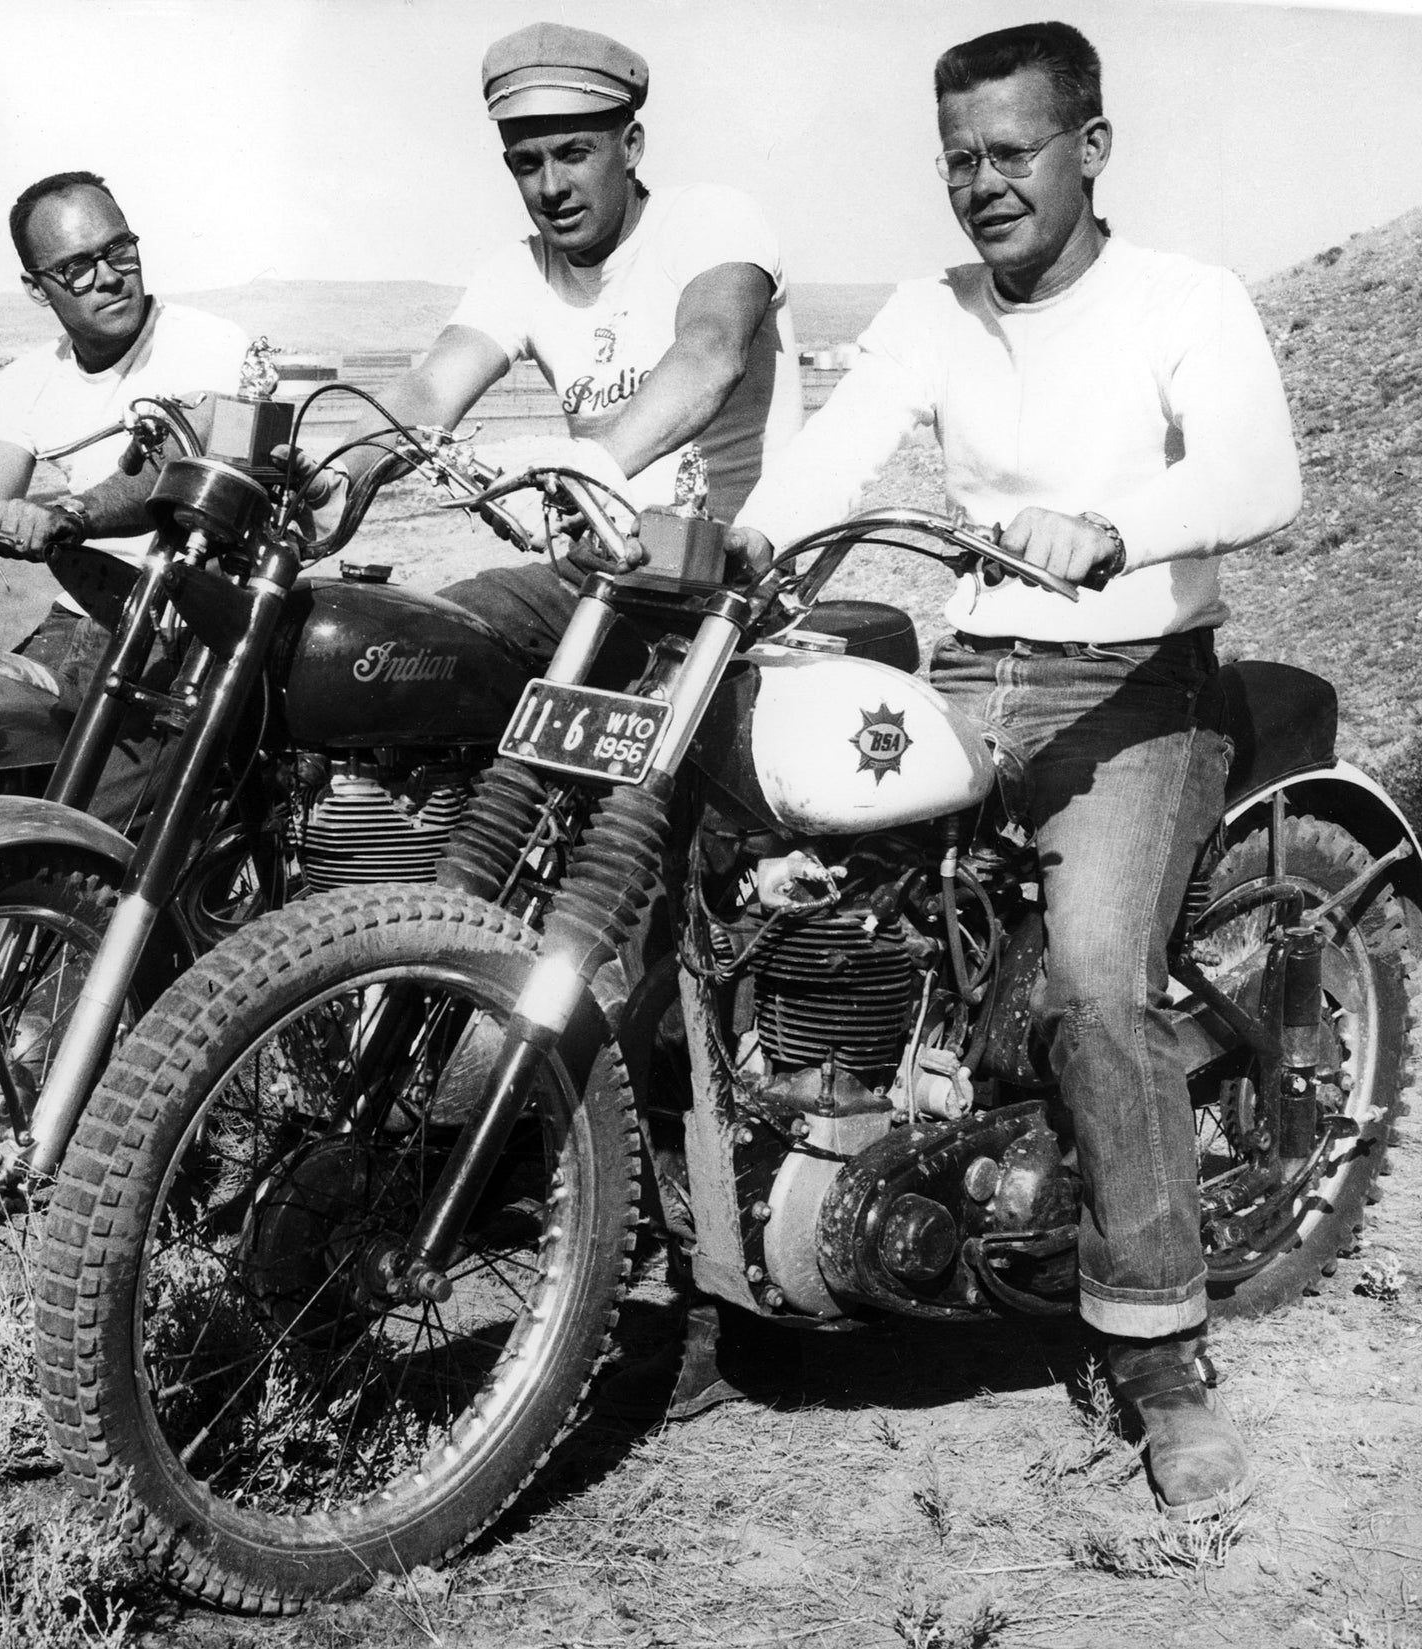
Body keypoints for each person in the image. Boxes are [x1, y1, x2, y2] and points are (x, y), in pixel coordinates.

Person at [694, 22, 1298, 1522]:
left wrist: (1117, 526)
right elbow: (834, 450)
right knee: (750, 868)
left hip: (1141, 679)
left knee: (1099, 978)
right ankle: (738, 1244)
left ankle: (1158, 1348)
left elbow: (1257, 473)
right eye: (958, 157)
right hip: (972, 667)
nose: (981, 183)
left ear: (1091, 147)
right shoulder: (932, 310)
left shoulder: (1184, 298)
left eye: (1010, 152)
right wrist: (753, 539)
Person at [313, 21, 802, 676]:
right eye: (526, 162)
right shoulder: (520, 269)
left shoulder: (709, 218)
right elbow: (432, 389)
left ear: (631, 146)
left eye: (573, 153)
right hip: (600, 574)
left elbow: (710, 352)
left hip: (736, 581)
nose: (550, 187)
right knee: (398, 651)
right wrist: (338, 475)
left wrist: (587, 467)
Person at [0, 170, 249, 829]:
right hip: (78, 624)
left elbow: (175, 468)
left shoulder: (206, 343)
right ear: (37, 288)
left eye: (119, 249)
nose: (110, 277)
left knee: (70, 826)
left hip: (183, 628)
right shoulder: (26, 383)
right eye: (78, 267)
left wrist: (64, 516)